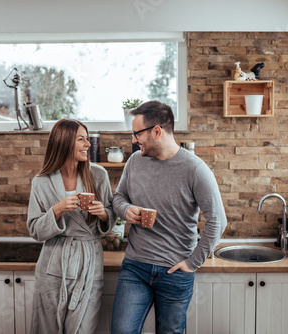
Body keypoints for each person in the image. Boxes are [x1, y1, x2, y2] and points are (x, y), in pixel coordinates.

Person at [111, 101, 227, 333]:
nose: (133, 139)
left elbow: (217, 220)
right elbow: (118, 197)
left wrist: (193, 263)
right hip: (135, 267)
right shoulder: (134, 162)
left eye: (137, 133)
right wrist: (126, 209)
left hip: (175, 272)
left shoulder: (195, 169)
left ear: (157, 131)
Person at [27, 118, 116, 334]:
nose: (88, 145)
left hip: (89, 261)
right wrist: (57, 210)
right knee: (48, 328)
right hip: (54, 262)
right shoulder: (42, 181)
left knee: (82, 329)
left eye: (88, 139)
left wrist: (103, 214)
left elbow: (111, 215)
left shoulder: (98, 175)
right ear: (64, 142)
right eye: (81, 139)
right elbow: (35, 230)